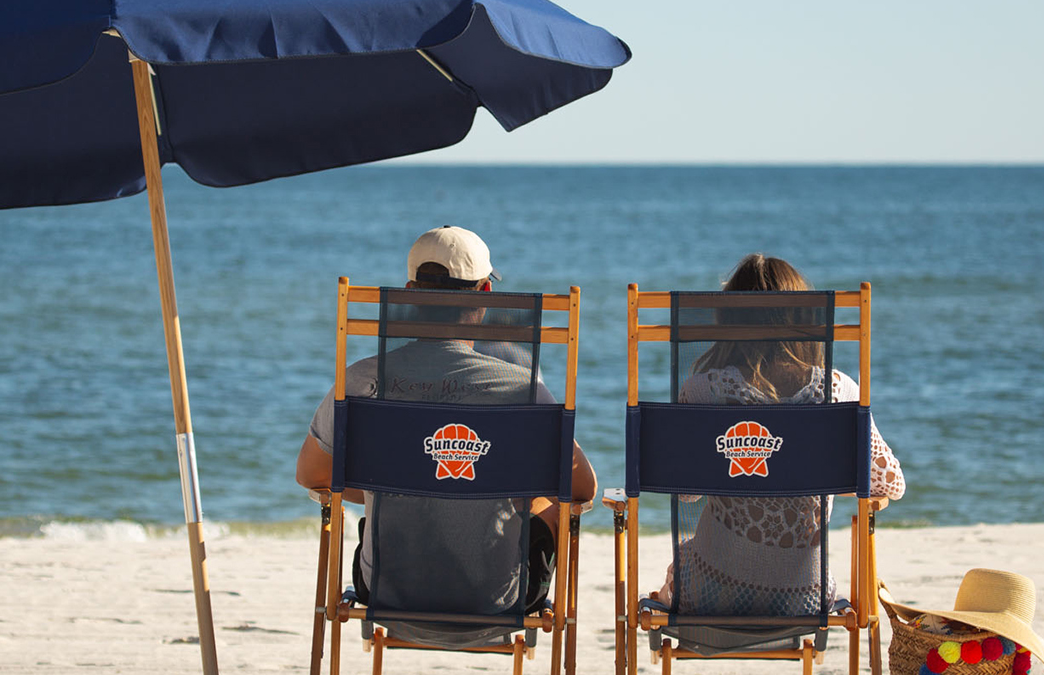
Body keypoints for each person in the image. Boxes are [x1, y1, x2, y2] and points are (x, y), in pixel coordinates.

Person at [296, 226, 596, 623]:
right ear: (486, 294)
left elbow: (312, 474)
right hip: (499, 600)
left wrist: (393, 489)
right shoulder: (522, 391)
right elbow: (582, 488)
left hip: (387, 590)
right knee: (547, 503)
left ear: (408, 291)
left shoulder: (358, 382)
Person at [655, 253, 904, 617]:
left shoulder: (702, 391)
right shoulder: (837, 392)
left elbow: (683, 492)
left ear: (727, 320)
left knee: (671, 581)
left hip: (709, 593)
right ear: (803, 319)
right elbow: (890, 484)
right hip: (805, 597)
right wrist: (826, 476)